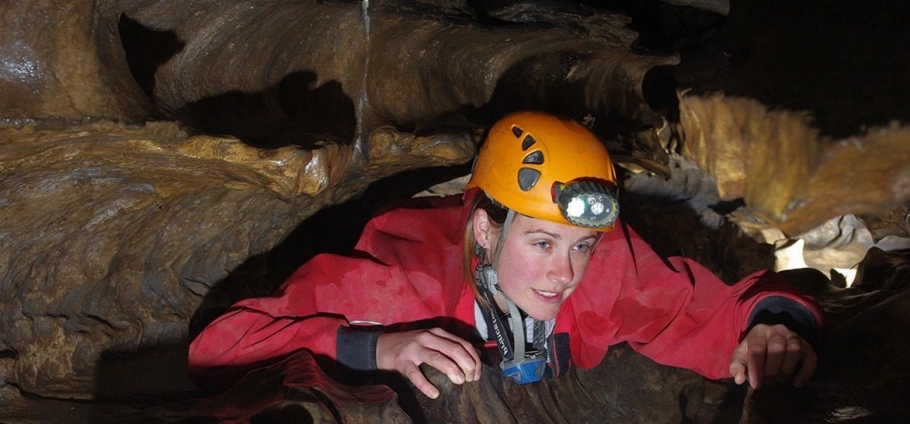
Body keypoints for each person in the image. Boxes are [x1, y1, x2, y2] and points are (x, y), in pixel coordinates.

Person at [188, 111, 821, 399]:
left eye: (581, 246)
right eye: (542, 243)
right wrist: (373, 347)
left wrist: (774, 327)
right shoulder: (399, 279)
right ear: (486, 230)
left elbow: (713, 313)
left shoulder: (603, 275)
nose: (564, 273)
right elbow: (218, 347)